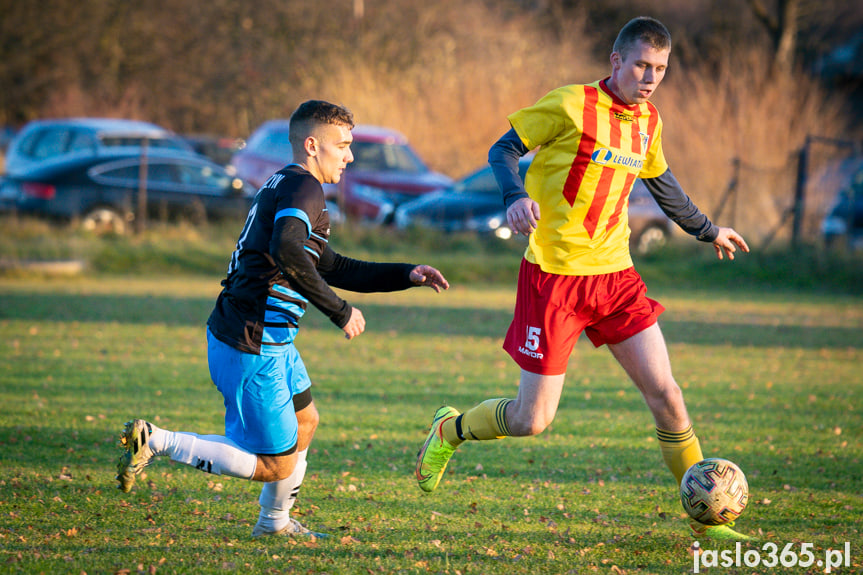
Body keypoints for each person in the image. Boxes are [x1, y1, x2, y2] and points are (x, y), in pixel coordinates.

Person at [415, 17, 753, 541]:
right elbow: (502, 151)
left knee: (667, 394)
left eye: (660, 69)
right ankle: (450, 429)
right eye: (642, 64)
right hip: (554, 279)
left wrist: (707, 230)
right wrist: (515, 197)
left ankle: (706, 520)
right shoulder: (571, 104)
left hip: (616, 276)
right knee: (532, 420)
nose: (650, 78)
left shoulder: (649, 121)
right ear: (616, 61)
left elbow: (661, 182)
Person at [116, 99, 449, 539]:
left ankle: (274, 523)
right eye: (342, 145)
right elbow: (288, 252)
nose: (349, 156)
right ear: (312, 145)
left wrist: (405, 274)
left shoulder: (289, 186)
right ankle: (156, 440)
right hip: (250, 342)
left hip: (270, 340)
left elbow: (330, 264)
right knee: (274, 464)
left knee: (306, 421)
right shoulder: (303, 190)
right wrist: (339, 311)